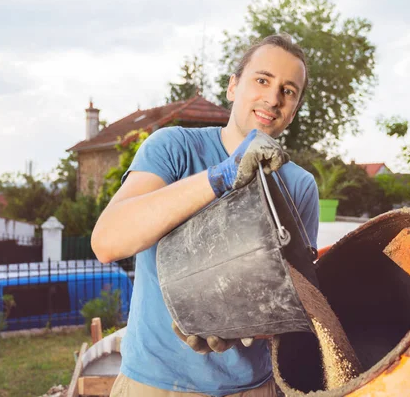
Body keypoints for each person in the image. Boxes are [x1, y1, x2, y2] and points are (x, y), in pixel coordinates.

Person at [92, 33, 320, 397]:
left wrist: (239, 323)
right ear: (233, 86)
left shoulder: (299, 185)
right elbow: (107, 242)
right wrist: (222, 175)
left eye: (288, 91)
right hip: (154, 384)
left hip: (253, 388)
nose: (273, 98)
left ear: (294, 110)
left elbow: (297, 301)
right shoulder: (174, 148)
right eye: (262, 80)